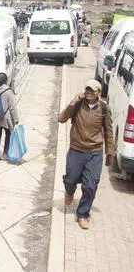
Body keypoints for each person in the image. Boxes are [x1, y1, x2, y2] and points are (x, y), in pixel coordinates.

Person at [58, 80, 114, 230]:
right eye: (87, 89)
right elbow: (61, 118)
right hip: (76, 149)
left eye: (92, 90)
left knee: (90, 185)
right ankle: (69, 191)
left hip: (94, 152)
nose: (89, 92)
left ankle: (82, 214)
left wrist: (110, 152)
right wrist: (71, 103)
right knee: (71, 179)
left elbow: (108, 131)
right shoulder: (77, 104)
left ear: (98, 93)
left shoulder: (103, 108)